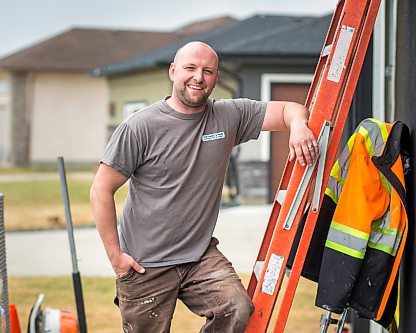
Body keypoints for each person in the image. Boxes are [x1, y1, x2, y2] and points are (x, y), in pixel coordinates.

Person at [90, 41, 319, 333]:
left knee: (236, 308)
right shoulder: (140, 126)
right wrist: (116, 258)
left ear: (216, 78)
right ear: (173, 72)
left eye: (207, 71)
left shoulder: (229, 116)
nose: (198, 77)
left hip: (199, 257)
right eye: (190, 68)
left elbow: (291, 109)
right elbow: (101, 189)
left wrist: (298, 126)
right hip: (145, 264)